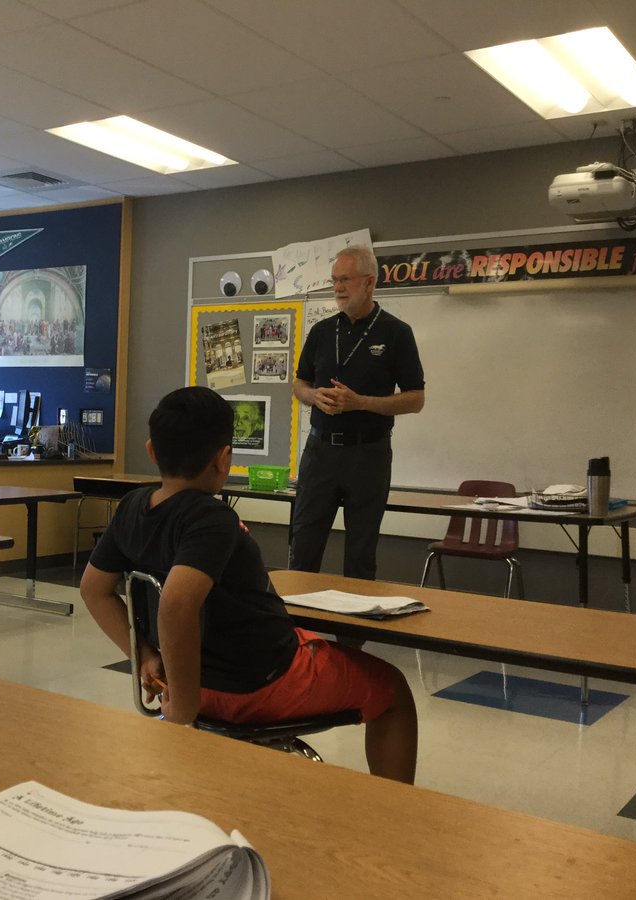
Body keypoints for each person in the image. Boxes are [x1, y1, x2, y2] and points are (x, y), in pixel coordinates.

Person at [80, 386, 417, 783]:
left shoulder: (132, 507)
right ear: (224, 459)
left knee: (305, 635)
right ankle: (395, 815)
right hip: (256, 683)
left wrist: (146, 656)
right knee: (393, 690)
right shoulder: (210, 518)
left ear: (153, 451)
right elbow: (175, 604)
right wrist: (185, 705)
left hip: (184, 676)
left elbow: (93, 589)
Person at [291, 245, 425, 578]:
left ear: (369, 282)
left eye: (345, 279)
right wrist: (312, 397)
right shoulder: (322, 332)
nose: (337, 287)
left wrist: (361, 402)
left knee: (360, 555)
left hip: (369, 454)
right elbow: (299, 383)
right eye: (334, 280)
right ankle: (295, 630)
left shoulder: (397, 333)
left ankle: (354, 632)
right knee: (304, 545)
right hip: (320, 452)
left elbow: (415, 399)